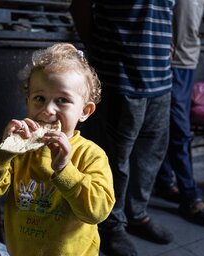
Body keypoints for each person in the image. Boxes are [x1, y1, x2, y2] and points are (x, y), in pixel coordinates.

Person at [0, 43, 115, 256]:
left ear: (84, 111)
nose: (48, 110)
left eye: (62, 100)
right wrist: (1, 153)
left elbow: (97, 212)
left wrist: (64, 169)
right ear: (27, 101)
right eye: (39, 98)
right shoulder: (17, 151)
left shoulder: (91, 155)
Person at [71, 1, 175, 255]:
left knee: (150, 154)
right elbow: (79, 6)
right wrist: (100, 52)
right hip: (120, 76)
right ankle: (111, 226)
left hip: (160, 78)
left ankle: (137, 214)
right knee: (114, 158)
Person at [154, 0, 204, 226]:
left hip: (187, 58)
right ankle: (190, 194)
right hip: (168, 60)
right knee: (179, 129)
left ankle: (166, 181)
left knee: (172, 125)